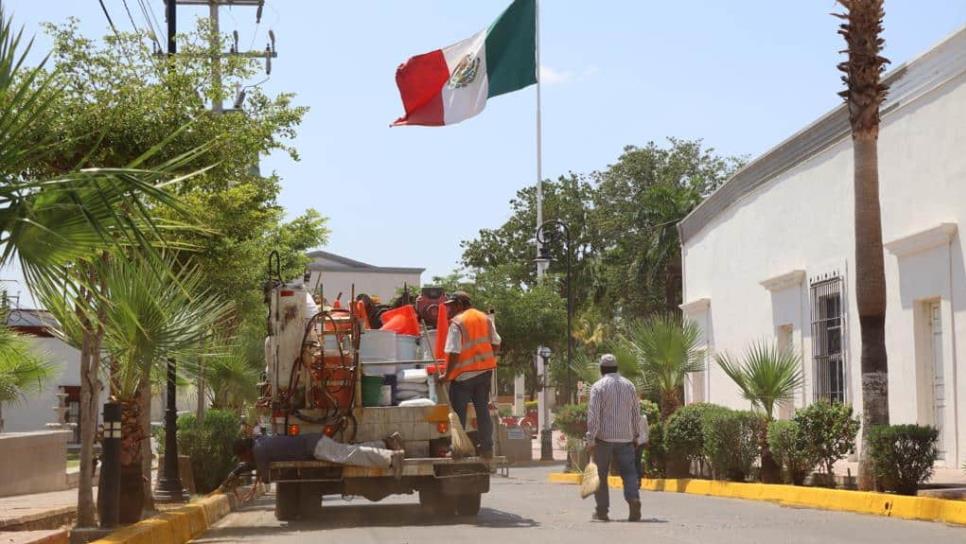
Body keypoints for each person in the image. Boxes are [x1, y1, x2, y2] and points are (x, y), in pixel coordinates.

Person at [222, 431, 405, 496]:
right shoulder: (259, 443)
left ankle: (391, 457)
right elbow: (254, 464)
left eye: (241, 458)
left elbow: (264, 475)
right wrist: (237, 471)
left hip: (313, 447)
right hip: (313, 443)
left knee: (349, 454)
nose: (243, 460)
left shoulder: (259, 451)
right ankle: (386, 443)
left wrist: (242, 473)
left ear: (244, 452)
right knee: (348, 451)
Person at [439, 291, 501, 459]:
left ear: (460, 304)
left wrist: (447, 375)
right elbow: (496, 342)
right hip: (484, 373)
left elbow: (453, 352)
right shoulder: (484, 318)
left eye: (451, 306)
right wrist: (486, 358)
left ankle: (458, 449)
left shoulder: (457, 323)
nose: (448, 310)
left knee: (458, 415)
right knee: (482, 411)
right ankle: (487, 449)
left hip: (463, 377)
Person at [585, 354, 642, 522]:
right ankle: (633, 500)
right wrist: (636, 435)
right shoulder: (629, 386)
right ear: (616, 368)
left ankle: (602, 511)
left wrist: (591, 438)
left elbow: (594, 416)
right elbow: (635, 413)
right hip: (626, 438)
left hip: (604, 439)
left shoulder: (598, 387)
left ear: (601, 369)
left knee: (601, 476)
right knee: (629, 473)